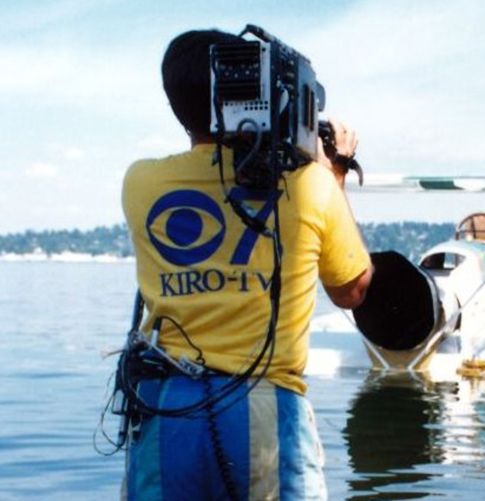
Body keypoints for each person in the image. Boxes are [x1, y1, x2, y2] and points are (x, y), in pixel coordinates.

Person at [120, 29, 373, 500]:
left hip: (166, 406)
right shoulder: (310, 185)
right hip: (264, 407)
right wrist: (333, 170)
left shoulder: (140, 183)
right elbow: (352, 290)